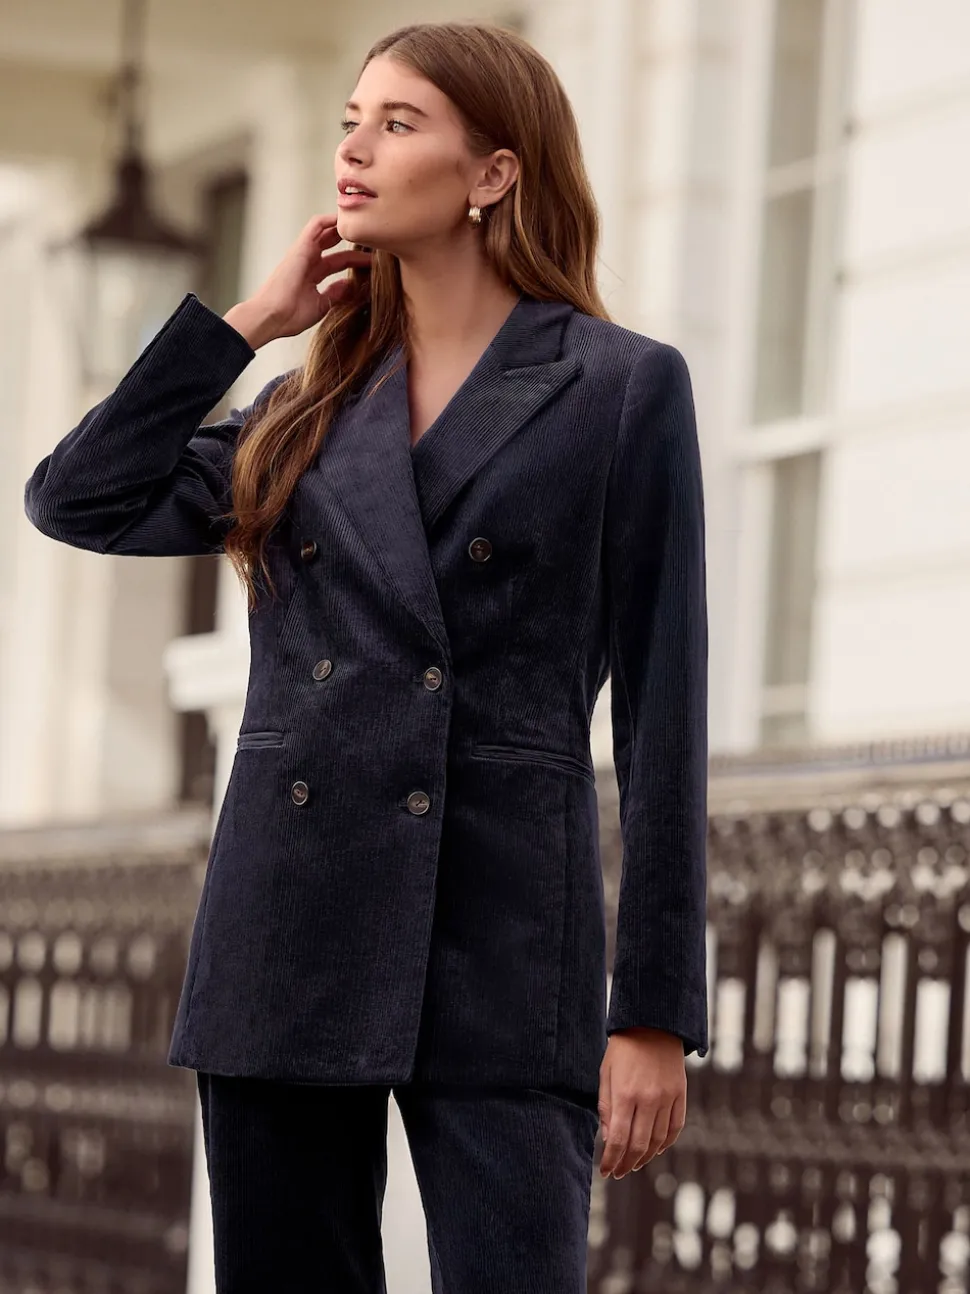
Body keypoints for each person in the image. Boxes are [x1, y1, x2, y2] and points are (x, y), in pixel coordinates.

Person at [23, 19, 709, 1294]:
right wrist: (245, 324)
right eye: (350, 121)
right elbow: (77, 500)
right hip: (288, 928)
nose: (354, 150)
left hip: (508, 937)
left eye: (398, 124)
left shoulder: (617, 388)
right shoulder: (305, 405)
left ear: (492, 173)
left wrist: (655, 1010)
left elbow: (665, 717)